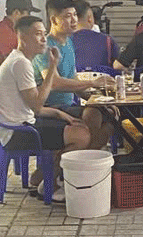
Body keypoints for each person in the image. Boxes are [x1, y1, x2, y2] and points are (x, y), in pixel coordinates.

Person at [0, 15, 90, 202]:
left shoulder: (20, 60)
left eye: (43, 34)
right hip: (17, 133)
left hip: (24, 123)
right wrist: (52, 69)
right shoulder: (20, 63)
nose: (43, 39)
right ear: (23, 38)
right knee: (81, 136)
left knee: (77, 126)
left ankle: (43, 178)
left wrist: (59, 114)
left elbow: (33, 108)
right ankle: (49, 182)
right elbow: (37, 104)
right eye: (38, 34)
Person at [32, 0, 116, 151]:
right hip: (48, 108)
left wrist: (98, 99)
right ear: (54, 20)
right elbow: (54, 83)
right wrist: (93, 82)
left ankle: (83, 158)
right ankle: (74, 158)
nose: (74, 20)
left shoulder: (69, 42)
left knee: (110, 116)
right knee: (92, 115)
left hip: (68, 105)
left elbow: (73, 80)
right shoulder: (46, 47)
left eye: (75, 15)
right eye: (67, 16)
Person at [71, 0, 120, 69]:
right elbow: (118, 67)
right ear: (90, 18)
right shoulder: (108, 41)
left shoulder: (62, 42)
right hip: (103, 76)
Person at [0, 0, 41, 64]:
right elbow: (8, 62)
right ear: (16, 13)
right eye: (28, 13)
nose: (29, 16)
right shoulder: (4, 32)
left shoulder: (15, 30)